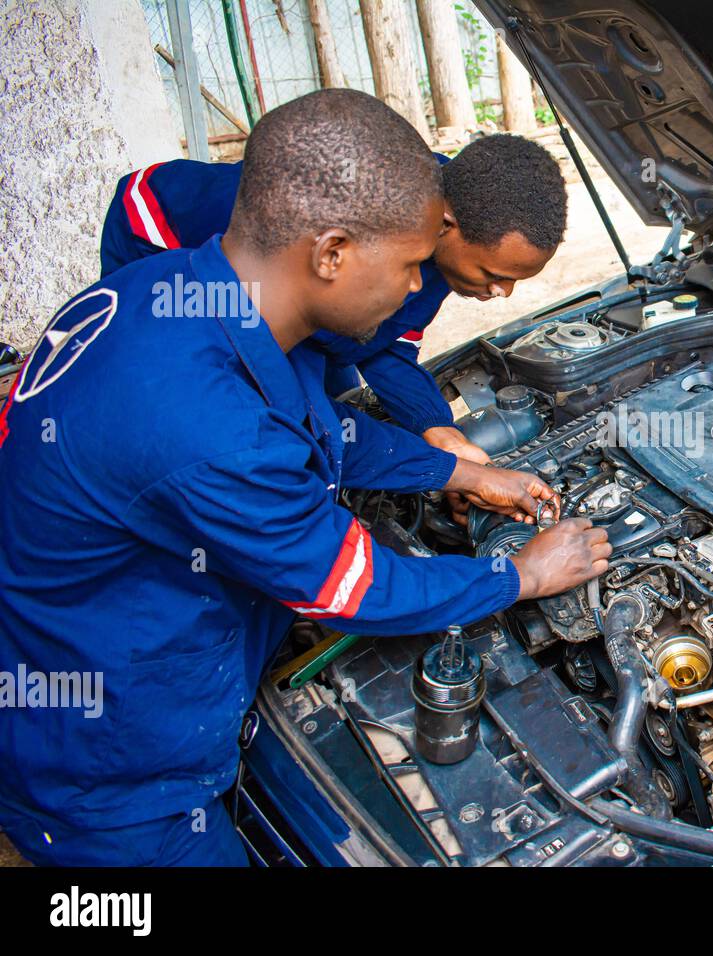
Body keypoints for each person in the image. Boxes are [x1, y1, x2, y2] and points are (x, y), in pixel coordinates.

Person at [0, 89, 608, 866]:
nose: (413, 296)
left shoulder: (175, 294)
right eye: (414, 265)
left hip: (136, 665)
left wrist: (457, 469)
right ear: (331, 253)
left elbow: (319, 433)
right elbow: (358, 590)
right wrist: (518, 575)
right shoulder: (209, 428)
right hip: (112, 776)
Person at [99, 133, 568, 464]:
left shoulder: (456, 236)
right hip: (161, 235)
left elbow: (390, 343)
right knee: (233, 421)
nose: (500, 293)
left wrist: (434, 427)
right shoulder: (341, 215)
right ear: (445, 225)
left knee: (337, 406)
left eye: (513, 282)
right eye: (492, 275)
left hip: (299, 298)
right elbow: (286, 327)